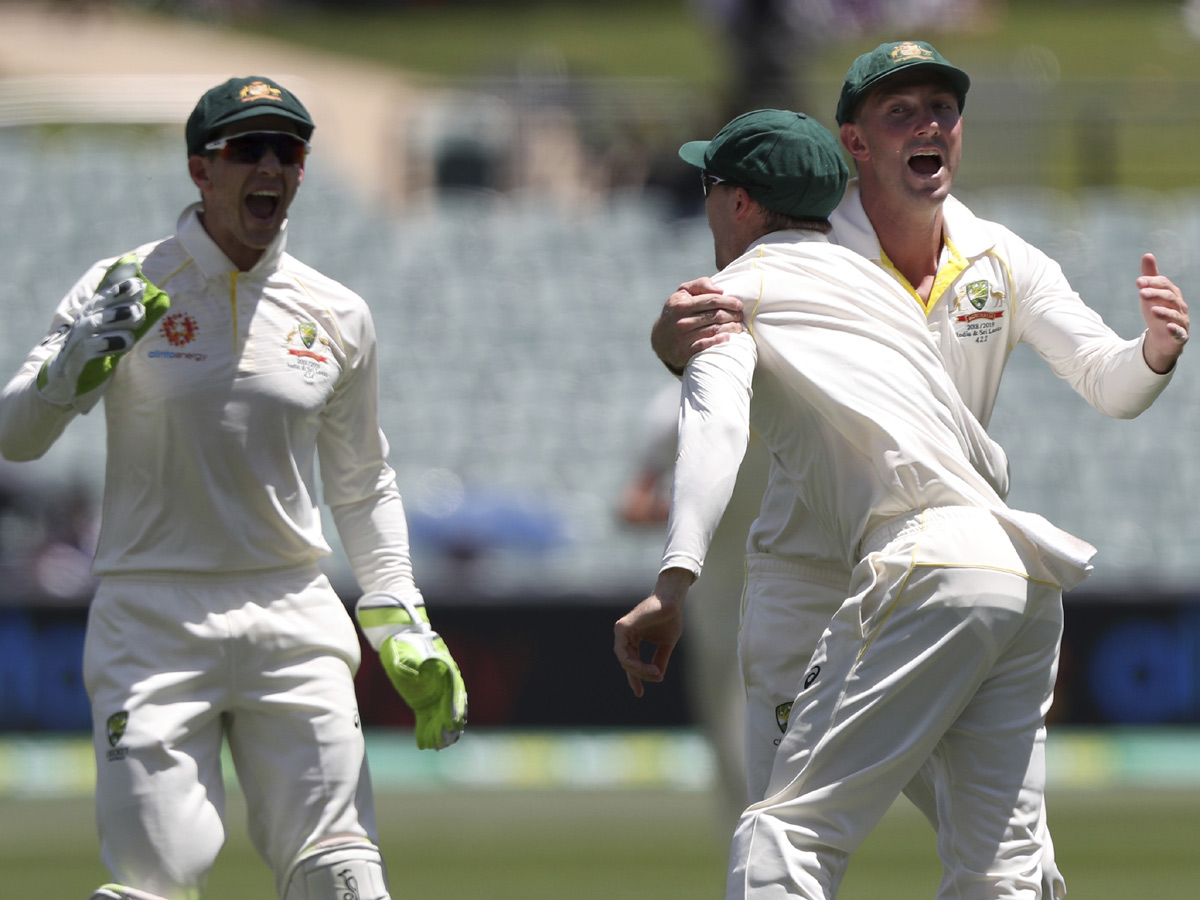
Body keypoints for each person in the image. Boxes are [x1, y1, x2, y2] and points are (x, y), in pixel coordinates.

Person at [649, 40, 1189, 898]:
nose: (930, 125)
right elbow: (710, 345)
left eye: (942, 109)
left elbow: (1108, 381)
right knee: (857, 838)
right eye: (902, 112)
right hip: (820, 568)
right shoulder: (818, 248)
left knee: (833, 840)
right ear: (853, 143)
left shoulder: (998, 258)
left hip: (927, 553)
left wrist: (1153, 354)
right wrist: (676, 340)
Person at [0, 76, 467, 900]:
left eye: (287, 151)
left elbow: (362, 480)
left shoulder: (337, 311)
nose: (270, 168)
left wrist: (399, 611)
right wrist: (67, 373)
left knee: (344, 871)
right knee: (157, 876)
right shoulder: (122, 285)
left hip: (291, 606)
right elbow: (16, 437)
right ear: (199, 170)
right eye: (246, 149)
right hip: (151, 617)